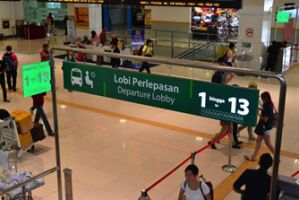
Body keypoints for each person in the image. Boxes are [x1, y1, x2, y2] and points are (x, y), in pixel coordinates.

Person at [244, 91, 275, 161]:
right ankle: (253, 157)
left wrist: (258, 113)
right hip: (267, 127)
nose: (262, 99)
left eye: (262, 98)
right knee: (259, 141)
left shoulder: (267, 106)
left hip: (265, 127)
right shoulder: (270, 104)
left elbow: (265, 119)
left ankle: (276, 156)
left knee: (267, 143)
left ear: (265, 98)